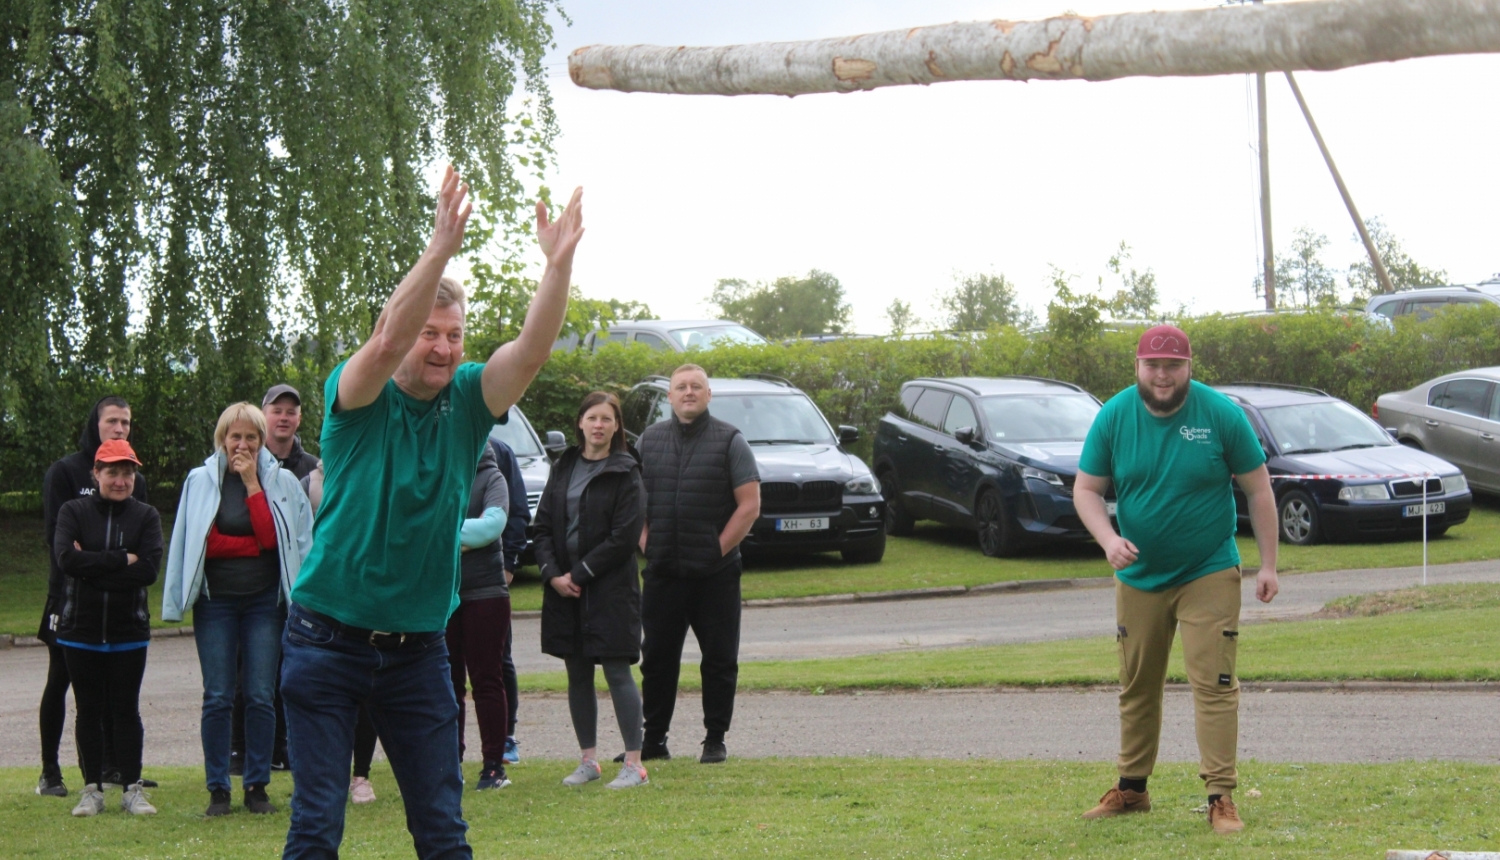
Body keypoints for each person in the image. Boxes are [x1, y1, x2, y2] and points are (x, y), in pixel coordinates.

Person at [278, 167, 584, 860]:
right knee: (317, 827)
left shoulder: (470, 401)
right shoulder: (356, 399)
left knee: (443, 834)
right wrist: (440, 248)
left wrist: (557, 269)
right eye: (431, 333)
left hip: (417, 652)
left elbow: (531, 351)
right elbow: (387, 342)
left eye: (454, 334)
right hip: (326, 642)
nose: (443, 346)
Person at [1072, 324, 1279, 835]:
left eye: (1173, 366)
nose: (1162, 375)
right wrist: (1107, 539)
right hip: (1139, 575)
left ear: (1189, 367)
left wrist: (1268, 564)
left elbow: (1259, 490)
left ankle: (1220, 797)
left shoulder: (1220, 415)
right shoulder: (1114, 416)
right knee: (1137, 683)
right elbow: (1086, 490)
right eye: (1153, 365)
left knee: (1214, 682)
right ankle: (1132, 790)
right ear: (1138, 367)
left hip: (1207, 568)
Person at [162, 402, 314, 817]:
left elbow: (276, 535)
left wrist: (251, 484)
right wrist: (254, 546)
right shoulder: (199, 481)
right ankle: (217, 789)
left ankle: (257, 785)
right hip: (216, 603)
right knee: (218, 695)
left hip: (266, 603)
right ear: (222, 439)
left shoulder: (281, 482)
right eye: (235, 437)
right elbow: (204, 542)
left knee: (262, 694)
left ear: (263, 441)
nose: (242, 445)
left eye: (251, 437)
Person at [636, 365, 761, 764]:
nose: (688, 393)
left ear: (709, 395)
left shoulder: (730, 441)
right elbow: (631, 500)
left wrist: (716, 551)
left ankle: (715, 739)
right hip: (663, 573)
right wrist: (645, 542)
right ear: (669, 397)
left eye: (696, 387)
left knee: (720, 659)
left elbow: (749, 505)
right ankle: (654, 740)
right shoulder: (648, 442)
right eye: (681, 387)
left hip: (716, 576)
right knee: (656, 660)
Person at [38, 396, 151, 798]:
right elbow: (62, 546)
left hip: (119, 605)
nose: (120, 428)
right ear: (95, 423)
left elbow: (148, 558)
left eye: (126, 422)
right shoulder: (65, 472)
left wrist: (99, 564)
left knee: (114, 690)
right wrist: (120, 560)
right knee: (61, 681)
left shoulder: (135, 478)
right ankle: (50, 770)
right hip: (68, 600)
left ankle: (114, 765)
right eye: (112, 421)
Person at [535, 392, 648, 789]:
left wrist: (579, 575)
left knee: (618, 671)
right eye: (592, 417)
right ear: (580, 422)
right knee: (577, 672)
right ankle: (589, 760)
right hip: (563, 591)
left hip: (610, 592)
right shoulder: (563, 465)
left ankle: (635, 764)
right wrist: (553, 575)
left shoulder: (626, 471)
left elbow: (624, 537)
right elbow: (543, 526)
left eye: (607, 419)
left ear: (617, 426)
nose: (598, 425)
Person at [51, 439, 163, 817]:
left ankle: (133, 789)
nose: (120, 480)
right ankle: (91, 789)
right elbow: (67, 559)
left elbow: (147, 571)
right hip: (80, 631)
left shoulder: (146, 516)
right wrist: (120, 560)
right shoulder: (73, 510)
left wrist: (94, 570)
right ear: (96, 473)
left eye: (127, 472)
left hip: (128, 631)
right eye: (112, 472)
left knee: (126, 711)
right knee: (89, 711)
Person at [223, 384, 318, 776]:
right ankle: (239, 750)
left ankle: (283, 748)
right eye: (277, 410)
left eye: (291, 411)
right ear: (265, 415)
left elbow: (308, 531)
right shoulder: (227, 468)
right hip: (242, 588)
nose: (284, 417)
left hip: (290, 584)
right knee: (243, 676)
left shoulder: (313, 469)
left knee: (285, 674)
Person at [446, 444, 512, 790]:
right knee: (447, 684)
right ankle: (448, 763)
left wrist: (441, 535)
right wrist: (463, 537)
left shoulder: (492, 477)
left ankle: (493, 766)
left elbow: (491, 527)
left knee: (487, 680)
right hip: (442, 594)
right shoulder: (437, 473)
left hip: (486, 593)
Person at [488, 435, 531, 765]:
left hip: (489, 575)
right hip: (440, 573)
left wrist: (509, 563)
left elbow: (518, 511)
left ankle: (506, 736)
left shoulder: (498, 451)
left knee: (498, 658)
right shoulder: (431, 440)